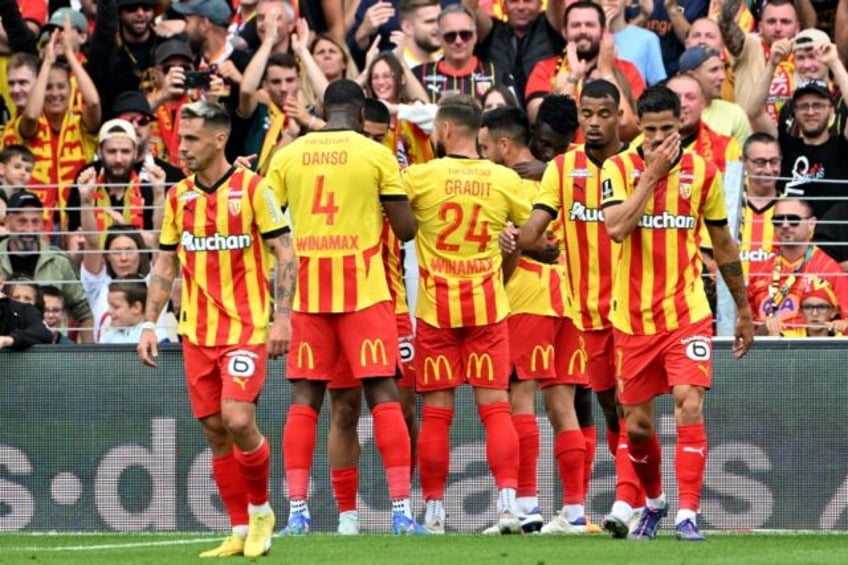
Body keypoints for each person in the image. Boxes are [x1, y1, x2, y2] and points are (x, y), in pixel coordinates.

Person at [137, 100, 295, 558]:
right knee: (213, 429)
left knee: (238, 417)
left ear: (219, 139)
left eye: (190, 139)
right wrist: (149, 322)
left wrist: (282, 317)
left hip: (245, 328)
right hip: (196, 332)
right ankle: (240, 529)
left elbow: (285, 254)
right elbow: (166, 261)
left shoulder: (253, 190)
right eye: (180, 138)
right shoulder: (178, 196)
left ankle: (263, 510)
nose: (180, 147)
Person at [265, 80, 423, 536]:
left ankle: (298, 513)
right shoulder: (376, 154)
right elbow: (407, 229)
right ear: (359, 116)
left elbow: (270, 223)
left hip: (309, 296)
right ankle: (400, 515)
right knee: (384, 399)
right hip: (365, 293)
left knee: (306, 403)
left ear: (322, 109)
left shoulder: (288, 155)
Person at [599, 85, 754, 540]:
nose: (660, 139)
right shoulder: (618, 168)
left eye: (669, 129)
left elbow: (723, 242)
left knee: (689, 403)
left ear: (681, 126)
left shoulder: (703, 173)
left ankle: (688, 514)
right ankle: (655, 501)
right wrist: (651, 175)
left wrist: (743, 309)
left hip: (687, 309)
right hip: (631, 319)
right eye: (651, 131)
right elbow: (616, 228)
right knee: (639, 426)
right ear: (638, 129)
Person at [510, 79, 647, 537]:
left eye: (603, 114)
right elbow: (531, 234)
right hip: (581, 310)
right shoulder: (561, 169)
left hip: (631, 309)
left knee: (629, 406)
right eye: (586, 114)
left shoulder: (636, 166)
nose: (593, 122)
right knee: (608, 407)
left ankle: (627, 500)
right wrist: (531, 245)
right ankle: (626, 496)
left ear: (619, 116)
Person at [402, 94, 526, 534]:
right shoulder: (503, 179)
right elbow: (532, 232)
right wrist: (506, 252)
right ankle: (508, 506)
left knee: (437, 413)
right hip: (489, 307)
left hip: (437, 309)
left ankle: (434, 511)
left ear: (446, 131)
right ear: (481, 135)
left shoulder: (421, 177)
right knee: (496, 408)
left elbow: (390, 205)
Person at [481, 105, 592, 535]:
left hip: (527, 295)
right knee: (562, 404)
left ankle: (525, 506)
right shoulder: (569, 173)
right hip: (568, 296)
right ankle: (575, 511)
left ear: (504, 144)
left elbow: (521, 241)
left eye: (487, 147)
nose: (485, 155)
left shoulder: (510, 181)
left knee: (519, 400)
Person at [524, 1, 644, 137]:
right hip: (566, 157)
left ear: (603, 31)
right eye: (576, 25)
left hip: (616, 157)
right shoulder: (544, 68)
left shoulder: (627, 69)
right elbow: (541, 123)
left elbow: (628, 127)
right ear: (564, 31)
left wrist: (607, 73)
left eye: (590, 25)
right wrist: (572, 80)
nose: (583, 30)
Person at [0, 191, 94, 342]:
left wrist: (90, 357)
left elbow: (83, 313)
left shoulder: (59, 261)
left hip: (52, 352)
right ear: (7, 221)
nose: (30, 229)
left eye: (35, 221)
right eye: (22, 222)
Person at [747, 197, 848, 333]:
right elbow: (745, 325)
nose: (785, 225)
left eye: (793, 220)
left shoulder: (831, 270)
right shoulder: (759, 270)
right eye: (778, 220)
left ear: (811, 224)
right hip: (764, 351)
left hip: (809, 352)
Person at [465, 0, 566, 108]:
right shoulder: (490, 30)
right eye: (514, 1)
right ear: (504, 5)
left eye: (528, 1)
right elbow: (469, 7)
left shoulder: (551, 25)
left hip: (544, 113)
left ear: (541, 4)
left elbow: (557, 2)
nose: (521, 7)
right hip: (499, 115)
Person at [778, 79, 848, 219]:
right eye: (803, 106)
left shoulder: (843, 146)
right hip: (790, 235)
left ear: (831, 110)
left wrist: (834, 62)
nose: (810, 112)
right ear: (795, 112)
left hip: (834, 237)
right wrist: (772, 65)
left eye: (818, 105)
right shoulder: (783, 146)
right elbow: (753, 112)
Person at [411, 5, 502, 103]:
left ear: (475, 36)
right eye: (450, 36)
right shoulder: (418, 76)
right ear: (439, 39)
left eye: (465, 35)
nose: (458, 41)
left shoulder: (497, 75)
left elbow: (513, 115)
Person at [677, 45, 751, 149]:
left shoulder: (735, 114)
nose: (723, 76)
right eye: (714, 70)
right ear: (691, 76)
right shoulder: (670, 114)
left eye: (722, 69)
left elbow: (743, 161)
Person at [738, 133, 782, 277]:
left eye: (774, 161)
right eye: (760, 162)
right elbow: (709, 257)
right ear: (743, 162)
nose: (768, 170)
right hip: (730, 297)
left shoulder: (794, 211)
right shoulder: (727, 207)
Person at [100, 278, 169, 344]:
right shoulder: (107, 337)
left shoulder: (158, 337)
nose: (109, 311)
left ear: (136, 307)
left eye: (116, 307)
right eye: (109, 306)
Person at [776, 278, 846, 337]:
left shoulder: (843, 340)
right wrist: (773, 330)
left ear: (833, 312)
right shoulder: (787, 339)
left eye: (821, 307)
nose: (814, 313)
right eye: (808, 307)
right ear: (801, 312)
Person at [0, 276, 52, 350]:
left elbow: (43, 334)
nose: (21, 301)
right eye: (16, 297)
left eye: (27, 298)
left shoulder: (27, 311)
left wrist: (8, 340)